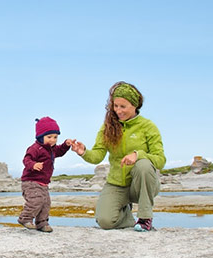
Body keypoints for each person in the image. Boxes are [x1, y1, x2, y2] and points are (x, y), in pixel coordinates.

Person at [71, 81, 166, 232]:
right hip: (117, 184)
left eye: (123, 106)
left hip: (141, 184)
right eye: (115, 106)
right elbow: (97, 156)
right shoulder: (108, 127)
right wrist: (83, 152)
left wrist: (138, 155)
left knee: (144, 164)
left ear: (134, 106)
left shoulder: (148, 126)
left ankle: (144, 218)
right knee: (105, 221)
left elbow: (160, 160)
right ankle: (127, 216)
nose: (118, 111)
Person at [18, 117, 72, 233]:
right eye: (49, 137)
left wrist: (66, 145)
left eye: (55, 137)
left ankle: (42, 223)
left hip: (43, 183)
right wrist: (33, 165)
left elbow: (60, 151)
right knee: (36, 200)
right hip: (31, 181)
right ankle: (25, 218)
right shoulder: (35, 148)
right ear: (40, 136)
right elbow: (26, 159)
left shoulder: (51, 150)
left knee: (46, 203)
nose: (52, 140)